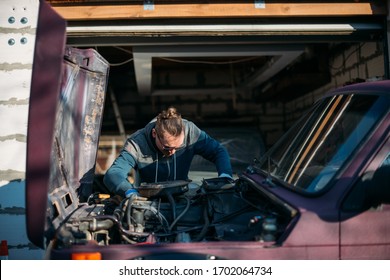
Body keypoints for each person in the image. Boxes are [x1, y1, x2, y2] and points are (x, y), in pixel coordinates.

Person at [103, 107, 233, 197]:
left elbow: (218, 151)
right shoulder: (137, 143)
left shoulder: (191, 133)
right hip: (148, 201)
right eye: (167, 148)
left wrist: (225, 176)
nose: (172, 152)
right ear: (155, 134)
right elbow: (113, 174)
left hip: (182, 197)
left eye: (178, 147)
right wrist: (129, 191)